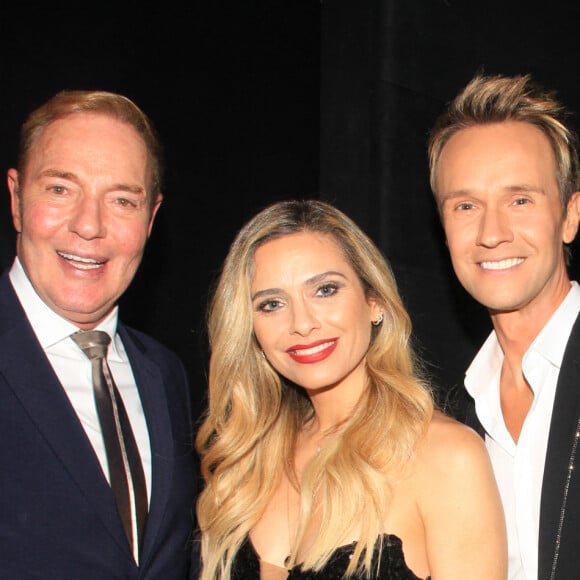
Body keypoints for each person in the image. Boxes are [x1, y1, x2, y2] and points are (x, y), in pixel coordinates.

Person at [195, 199, 506, 580]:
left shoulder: (445, 456)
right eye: (272, 304)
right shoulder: (247, 462)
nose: (302, 323)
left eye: (325, 290)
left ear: (373, 301)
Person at [0, 90, 199, 578]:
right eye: (60, 189)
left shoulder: (167, 375)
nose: (90, 225)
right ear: (16, 198)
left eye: (121, 200)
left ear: (151, 219)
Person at [428, 73, 580, 580]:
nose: (492, 233)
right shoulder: (444, 408)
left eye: (520, 200)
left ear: (570, 216)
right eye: (466, 206)